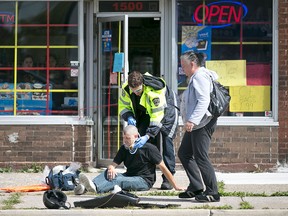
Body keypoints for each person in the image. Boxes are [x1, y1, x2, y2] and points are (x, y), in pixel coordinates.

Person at [74, 125, 183, 195]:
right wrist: (111, 168)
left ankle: (95, 188)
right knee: (109, 172)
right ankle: (88, 187)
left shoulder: (149, 148)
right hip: (129, 175)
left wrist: (175, 186)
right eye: (124, 138)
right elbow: (113, 165)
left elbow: (163, 167)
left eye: (128, 138)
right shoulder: (124, 148)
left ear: (136, 136)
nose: (125, 141)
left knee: (119, 181)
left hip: (144, 181)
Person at [118, 71, 179, 190]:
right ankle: (146, 175)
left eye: (138, 91)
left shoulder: (154, 90)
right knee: (142, 140)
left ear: (143, 85)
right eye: (133, 91)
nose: (136, 93)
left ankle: (168, 178)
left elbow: (157, 116)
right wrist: (129, 116)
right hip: (146, 112)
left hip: (167, 111)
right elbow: (123, 106)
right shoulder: (126, 89)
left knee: (166, 141)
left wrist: (148, 135)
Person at [177, 50, 220, 202]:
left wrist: (192, 120)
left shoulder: (200, 76)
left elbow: (203, 100)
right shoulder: (195, 77)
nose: (182, 69)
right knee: (184, 153)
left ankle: (213, 192)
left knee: (201, 157)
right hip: (196, 124)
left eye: (183, 66)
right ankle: (196, 186)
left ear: (192, 64)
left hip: (201, 123)